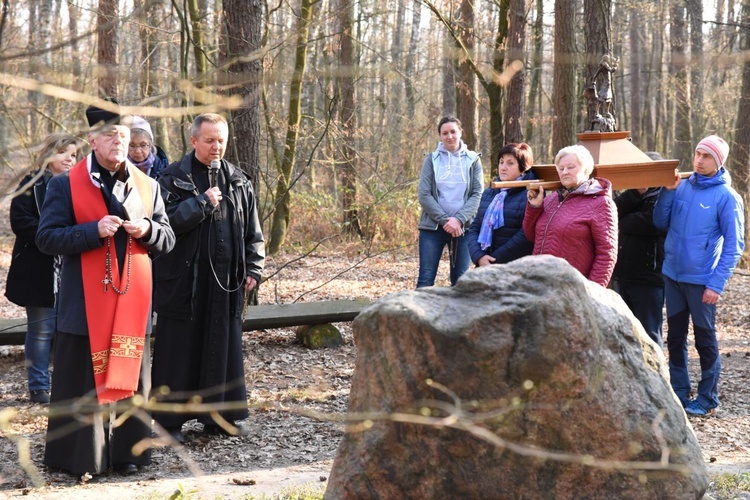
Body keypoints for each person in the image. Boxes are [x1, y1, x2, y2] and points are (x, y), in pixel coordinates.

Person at [36, 102, 175, 477]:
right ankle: (82, 458)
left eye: (124, 134)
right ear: (93, 139)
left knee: (132, 382)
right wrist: (91, 231)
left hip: (133, 300)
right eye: (111, 134)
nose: (119, 141)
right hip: (83, 305)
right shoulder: (64, 184)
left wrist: (148, 231)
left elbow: (168, 237)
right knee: (82, 382)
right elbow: (46, 238)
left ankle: (129, 454)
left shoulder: (149, 186)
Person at [151, 113, 265, 443]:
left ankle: (220, 418)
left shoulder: (239, 180)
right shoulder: (171, 178)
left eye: (221, 140)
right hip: (182, 283)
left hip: (226, 283)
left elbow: (253, 233)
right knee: (178, 350)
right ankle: (169, 421)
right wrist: (201, 203)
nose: (216, 146)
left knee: (222, 348)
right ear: (193, 141)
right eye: (210, 140)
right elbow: (164, 224)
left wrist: (254, 269)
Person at [653, 135, 745, 417]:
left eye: (707, 156)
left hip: (702, 280)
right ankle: (680, 393)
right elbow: (659, 222)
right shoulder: (680, 187)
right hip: (673, 276)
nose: (700, 160)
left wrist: (716, 284)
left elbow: (734, 246)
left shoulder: (727, 197)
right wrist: (668, 191)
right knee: (676, 338)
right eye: (698, 154)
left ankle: (707, 399)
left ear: (718, 162)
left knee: (705, 340)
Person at [5, 133, 79, 404]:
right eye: (63, 153)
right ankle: (39, 387)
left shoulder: (80, 184)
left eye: (73, 154)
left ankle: (65, 384)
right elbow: (20, 221)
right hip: (38, 269)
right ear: (48, 154)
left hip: (71, 268)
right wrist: (54, 236)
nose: (69, 159)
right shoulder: (31, 185)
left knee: (67, 329)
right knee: (41, 329)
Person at [523, 145, 618, 287]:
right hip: (539, 283)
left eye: (570, 167)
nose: (565, 172)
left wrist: (592, 293)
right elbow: (531, 236)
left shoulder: (601, 203)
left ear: (586, 169)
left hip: (573, 289)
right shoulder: (551, 199)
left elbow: (607, 255)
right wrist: (535, 207)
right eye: (561, 169)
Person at [416, 116, 483, 287]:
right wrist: (446, 221)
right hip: (433, 228)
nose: (450, 136)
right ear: (440, 136)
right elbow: (424, 194)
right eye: (445, 133)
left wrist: (459, 219)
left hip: (464, 229)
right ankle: (421, 314)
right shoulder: (431, 159)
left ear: (460, 132)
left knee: (461, 282)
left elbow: (477, 194)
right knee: (426, 278)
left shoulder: (473, 160)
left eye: (453, 131)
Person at [611, 152, 667, 346]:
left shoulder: (664, 195)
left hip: (649, 277)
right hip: (624, 274)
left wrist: (622, 221)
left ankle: (656, 375)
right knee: (626, 332)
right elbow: (611, 213)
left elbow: (652, 223)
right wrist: (635, 193)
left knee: (649, 333)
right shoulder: (634, 193)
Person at [466, 143, 535, 267]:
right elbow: (474, 227)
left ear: (523, 168)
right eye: (501, 162)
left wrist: (493, 260)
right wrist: (479, 256)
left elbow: (525, 235)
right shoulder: (490, 192)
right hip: (484, 265)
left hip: (515, 268)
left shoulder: (531, 194)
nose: (503, 167)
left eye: (510, 163)